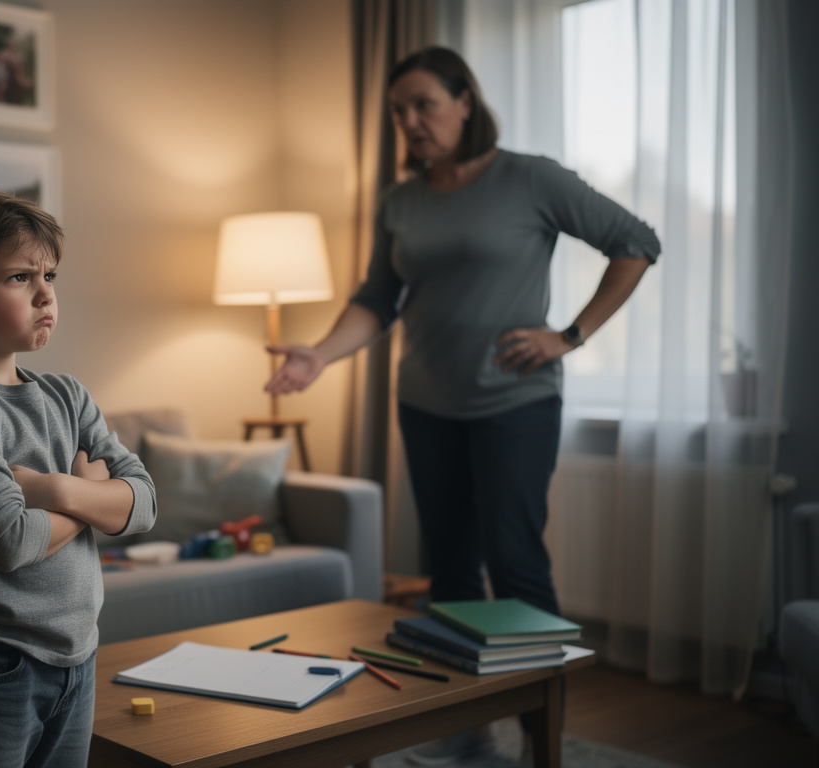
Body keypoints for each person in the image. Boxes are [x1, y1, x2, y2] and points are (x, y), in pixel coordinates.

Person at [265, 46, 660, 765]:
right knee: (448, 568)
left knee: (514, 562)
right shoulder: (401, 200)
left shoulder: (529, 178)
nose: (410, 121)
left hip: (515, 404)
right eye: (398, 110)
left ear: (464, 102)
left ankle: (546, 737)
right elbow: (378, 299)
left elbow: (636, 243)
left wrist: (569, 335)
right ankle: (466, 731)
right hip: (425, 403)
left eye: (424, 104)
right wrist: (321, 354)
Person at [0, 189, 157, 767]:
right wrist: (89, 493)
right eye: (18, 277)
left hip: (77, 651)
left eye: (50, 275)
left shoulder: (68, 395)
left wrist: (51, 489)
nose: (46, 294)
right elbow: (9, 543)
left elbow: (143, 504)